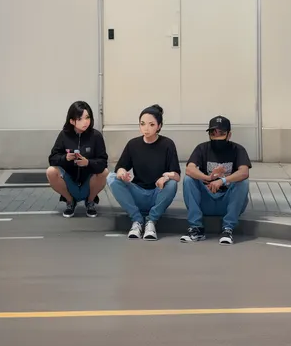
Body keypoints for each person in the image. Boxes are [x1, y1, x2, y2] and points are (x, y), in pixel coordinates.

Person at [107, 105, 180, 240]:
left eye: (151, 124)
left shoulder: (167, 144)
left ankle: (151, 221)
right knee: (111, 178)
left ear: (159, 126)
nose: (146, 128)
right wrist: (122, 173)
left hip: (158, 192)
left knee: (172, 184)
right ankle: (137, 221)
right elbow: (120, 167)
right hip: (138, 192)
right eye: (142, 124)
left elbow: (176, 175)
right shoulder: (133, 144)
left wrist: (166, 176)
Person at [181, 116, 251, 245]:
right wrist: (208, 178)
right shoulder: (202, 148)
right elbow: (189, 169)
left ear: (229, 135)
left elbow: (244, 172)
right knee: (188, 180)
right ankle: (196, 228)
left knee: (243, 182)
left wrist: (222, 180)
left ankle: (228, 229)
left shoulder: (238, 150)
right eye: (213, 133)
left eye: (221, 133)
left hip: (228, 202)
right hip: (206, 200)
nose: (217, 137)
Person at [47, 101, 108, 219]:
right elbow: (52, 158)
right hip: (70, 180)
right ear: (71, 121)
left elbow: (103, 161)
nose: (85, 122)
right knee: (50, 171)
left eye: (87, 117)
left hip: (88, 181)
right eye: (80, 119)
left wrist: (88, 163)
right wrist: (65, 158)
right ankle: (70, 202)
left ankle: (90, 202)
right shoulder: (64, 135)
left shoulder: (96, 136)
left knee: (104, 172)